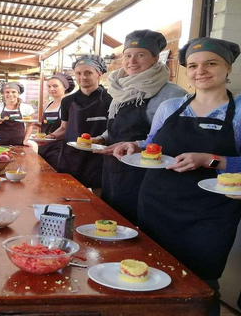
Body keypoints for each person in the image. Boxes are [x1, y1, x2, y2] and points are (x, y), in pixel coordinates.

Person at [114, 37, 241, 315]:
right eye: (193, 65)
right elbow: (152, 143)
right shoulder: (171, 107)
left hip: (211, 213)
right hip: (157, 202)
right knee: (150, 272)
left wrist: (211, 160)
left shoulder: (239, 111)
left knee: (201, 283)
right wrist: (135, 146)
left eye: (211, 63)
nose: (201, 71)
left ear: (228, 68)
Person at [94, 29, 186, 223]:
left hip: (146, 174)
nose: (132, 61)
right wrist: (102, 137)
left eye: (140, 55)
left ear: (155, 58)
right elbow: (116, 121)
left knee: (140, 228)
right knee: (111, 221)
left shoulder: (172, 94)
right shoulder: (120, 89)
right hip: (114, 169)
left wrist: (136, 144)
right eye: (127, 55)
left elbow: (171, 139)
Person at [48, 57, 112, 188]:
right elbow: (64, 128)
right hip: (71, 157)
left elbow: (115, 129)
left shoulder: (110, 99)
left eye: (88, 72)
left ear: (99, 74)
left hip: (99, 159)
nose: (82, 77)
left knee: (97, 202)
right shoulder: (67, 101)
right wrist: (50, 137)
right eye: (78, 73)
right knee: (68, 195)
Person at [35, 73, 75, 170]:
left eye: (55, 86)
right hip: (44, 147)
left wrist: (49, 137)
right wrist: (38, 125)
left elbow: (66, 127)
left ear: (65, 87)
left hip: (58, 148)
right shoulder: (49, 104)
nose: (51, 89)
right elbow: (50, 124)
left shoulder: (68, 104)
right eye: (49, 86)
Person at [0, 82, 34, 146]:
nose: (10, 94)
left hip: (20, 143)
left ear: (18, 93)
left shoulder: (27, 108)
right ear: (3, 93)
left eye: (13, 92)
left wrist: (26, 140)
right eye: (7, 92)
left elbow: (29, 126)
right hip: (0, 144)